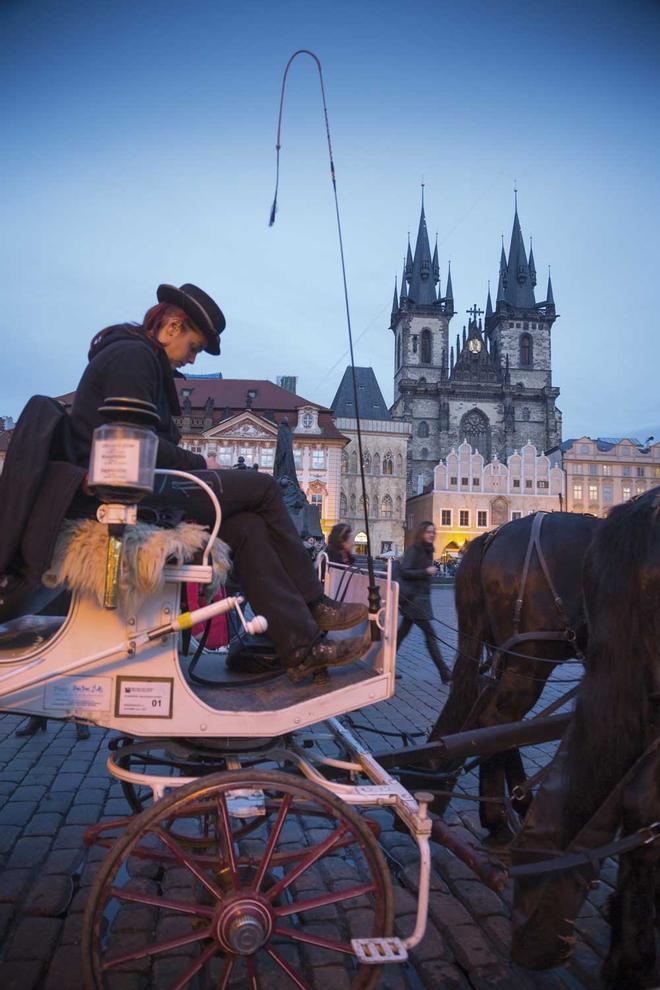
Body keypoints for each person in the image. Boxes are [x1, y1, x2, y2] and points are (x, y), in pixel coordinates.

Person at [55, 284, 370, 681]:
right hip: (121, 497)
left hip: (140, 493)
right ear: (172, 326)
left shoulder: (141, 359)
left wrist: (191, 462)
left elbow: (145, 443)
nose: (191, 358)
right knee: (266, 489)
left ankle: (301, 647)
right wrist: (199, 460)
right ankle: (313, 601)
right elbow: (132, 443)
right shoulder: (133, 358)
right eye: (193, 346)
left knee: (247, 527)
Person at [396, 520, 451, 684]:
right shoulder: (415, 549)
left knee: (401, 635)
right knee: (430, 635)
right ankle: (444, 672)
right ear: (422, 533)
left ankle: (384, 666)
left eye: (433, 532)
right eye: (428, 532)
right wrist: (425, 571)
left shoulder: (427, 550)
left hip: (419, 599)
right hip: (415, 600)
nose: (432, 534)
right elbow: (404, 571)